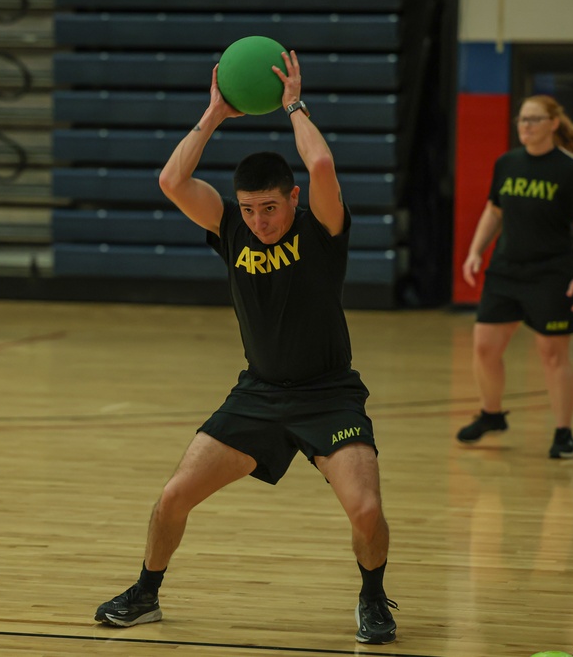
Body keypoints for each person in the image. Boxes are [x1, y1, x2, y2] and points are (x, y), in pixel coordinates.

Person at [94, 51, 397, 645]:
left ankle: (373, 597)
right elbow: (171, 182)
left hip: (329, 397)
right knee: (173, 496)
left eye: (271, 208)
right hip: (257, 395)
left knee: (365, 510)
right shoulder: (230, 226)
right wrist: (212, 116)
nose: (259, 221)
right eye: (251, 209)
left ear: (292, 200)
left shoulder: (322, 230)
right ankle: (146, 594)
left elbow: (322, 163)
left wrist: (294, 105)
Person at [457, 94, 573, 459]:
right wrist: (475, 251)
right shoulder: (507, 163)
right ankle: (491, 414)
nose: (525, 126)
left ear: (554, 123)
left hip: (552, 274)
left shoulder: (569, 172)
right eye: (522, 120)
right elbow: (494, 212)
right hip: (506, 271)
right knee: (484, 347)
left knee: (552, 355)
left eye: (534, 120)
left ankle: (564, 433)